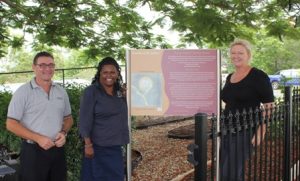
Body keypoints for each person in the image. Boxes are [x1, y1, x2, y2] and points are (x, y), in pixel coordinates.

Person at [6, 51, 74, 181]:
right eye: (42, 65)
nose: (47, 69)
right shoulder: (23, 92)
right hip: (33, 152)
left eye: (51, 65)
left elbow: (68, 118)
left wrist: (63, 132)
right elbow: (11, 124)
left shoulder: (61, 91)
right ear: (34, 67)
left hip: (57, 149)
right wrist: (38, 138)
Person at [220, 39, 274, 181]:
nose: (236, 56)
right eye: (233, 53)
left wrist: (261, 131)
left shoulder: (258, 76)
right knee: (228, 171)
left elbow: (269, 105)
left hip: (245, 130)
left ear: (248, 55)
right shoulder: (229, 77)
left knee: (229, 173)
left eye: (240, 53)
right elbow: (229, 101)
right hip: (226, 130)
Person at [79, 57, 129, 181]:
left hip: (115, 148)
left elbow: (124, 113)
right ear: (99, 73)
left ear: (118, 73)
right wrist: (88, 145)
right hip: (97, 149)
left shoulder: (120, 92)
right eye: (105, 72)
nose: (109, 75)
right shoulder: (91, 92)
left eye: (112, 72)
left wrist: (127, 97)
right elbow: (84, 119)